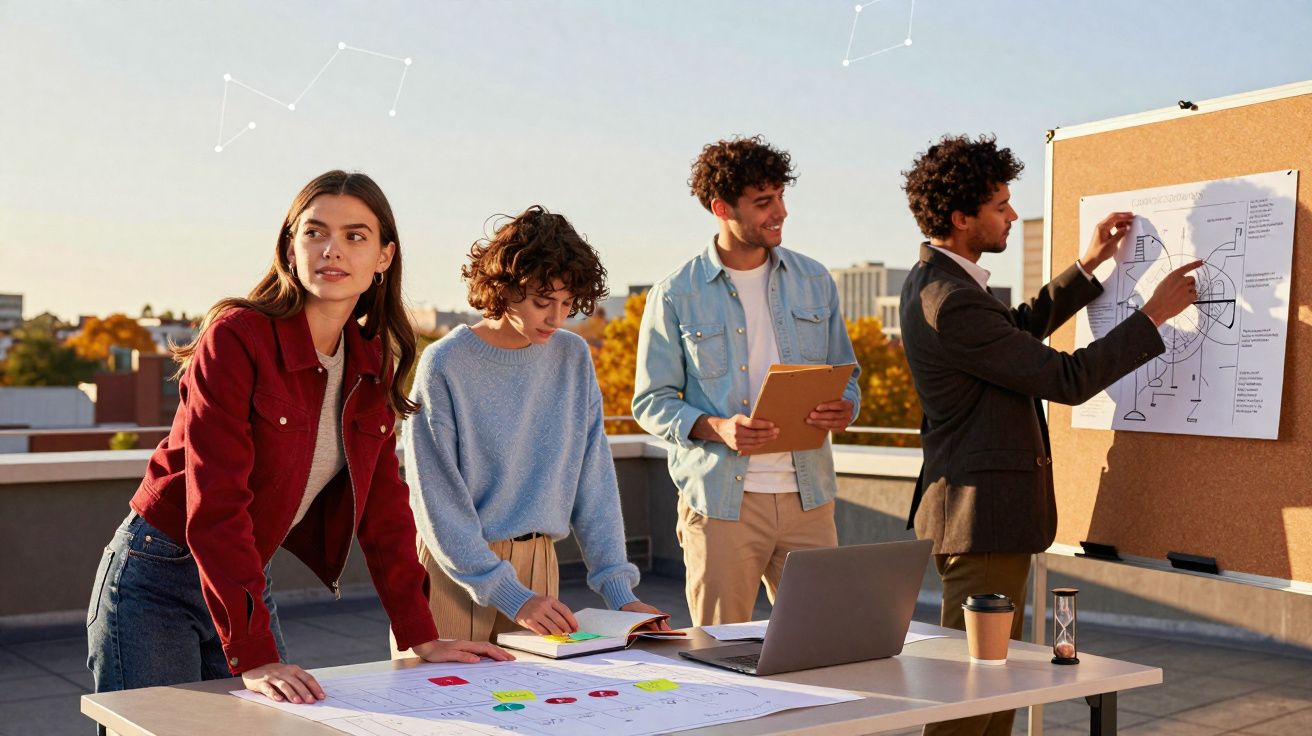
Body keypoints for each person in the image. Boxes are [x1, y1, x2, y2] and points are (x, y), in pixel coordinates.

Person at [86, 170, 510, 715]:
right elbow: (215, 503)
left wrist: (420, 634)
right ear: (291, 246)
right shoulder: (238, 337)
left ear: (383, 257)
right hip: (158, 578)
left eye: (356, 236)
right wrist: (255, 654)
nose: (332, 249)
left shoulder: (371, 360)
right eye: (314, 232)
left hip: (243, 579)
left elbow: (383, 510)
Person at [898, 135, 1200, 736]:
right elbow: (1065, 377)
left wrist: (1087, 266)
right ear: (962, 219)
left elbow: (1019, 331)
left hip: (989, 524)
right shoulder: (950, 298)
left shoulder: (948, 284)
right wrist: (1151, 318)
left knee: (991, 693)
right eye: (1001, 205)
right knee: (969, 703)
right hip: (981, 527)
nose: (1012, 215)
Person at [395, 205, 668, 650]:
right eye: (543, 302)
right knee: (449, 715)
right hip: (452, 572)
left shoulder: (572, 357)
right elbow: (435, 498)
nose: (556, 317)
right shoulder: (444, 362)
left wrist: (619, 592)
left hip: (540, 566)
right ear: (503, 288)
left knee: (538, 713)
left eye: (566, 304)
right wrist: (508, 594)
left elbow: (593, 478)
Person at [632, 135, 861, 626]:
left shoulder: (815, 280)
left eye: (780, 197)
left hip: (809, 499)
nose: (780, 212)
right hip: (721, 506)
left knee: (823, 646)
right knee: (719, 653)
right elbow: (650, 401)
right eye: (763, 202)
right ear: (721, 208)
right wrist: (718, 427)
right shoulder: (676, 293)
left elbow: (847, 373)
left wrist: (846, 406)